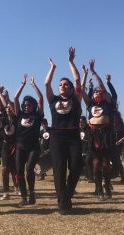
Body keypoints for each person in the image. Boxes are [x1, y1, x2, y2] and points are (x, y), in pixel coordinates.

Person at [45, 47, 82, 215]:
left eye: (66, 85)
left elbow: (77, 79)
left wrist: (70, 62)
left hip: (73, 136)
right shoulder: (53, 100)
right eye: (60, 85)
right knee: (59, 170)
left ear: (71, 89)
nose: (62, 87)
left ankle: (67, 194)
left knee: (75, 167)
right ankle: (63, 204)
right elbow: (46, 84)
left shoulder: (76, 99)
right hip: (57, 137)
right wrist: (52, 68)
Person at [81, 59, 115, 200]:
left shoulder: (107, 102)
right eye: (94, 92)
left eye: (99, 92)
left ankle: (107, 185)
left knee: (106, 164)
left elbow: (101, 86)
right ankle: (99, 190)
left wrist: (94, 72)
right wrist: (84, 75)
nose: (97, 92)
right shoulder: (90, 104)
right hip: (93, 136)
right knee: (96, 165)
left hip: (106, 135)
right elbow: (82, 91)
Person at [14, 74, 44, 206]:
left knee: (29, 170)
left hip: (33, 147)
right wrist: (22, 84)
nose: (27, 107)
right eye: (25, 105)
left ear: (33, 106)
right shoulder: (19, 115)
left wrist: (33, 85)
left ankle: (32, 193)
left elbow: (41, 98)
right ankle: (24, 197)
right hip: (20, 147)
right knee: (19, 172)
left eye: (29, 105)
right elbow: (15, 98)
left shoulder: (37, 116)